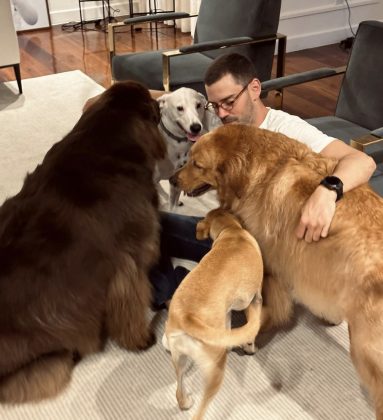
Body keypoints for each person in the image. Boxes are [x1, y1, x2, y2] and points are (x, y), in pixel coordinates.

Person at [149, 53, 376, 309]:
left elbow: (362, 162)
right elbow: (181, 103)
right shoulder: (223, 124)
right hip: (233, 231)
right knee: (146, 223)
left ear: (254, 89)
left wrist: (327, 191)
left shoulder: (288, 129)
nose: (222, 113)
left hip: (265, 250)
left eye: (229, 101)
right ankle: (172, 292)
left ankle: (193, 292)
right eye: (214, 105)